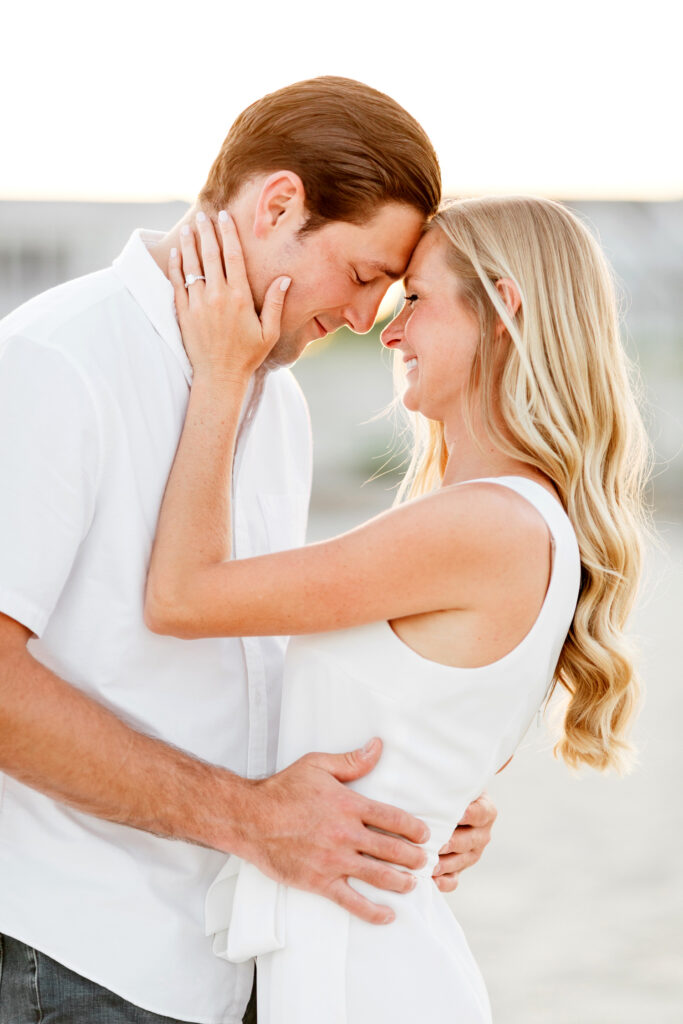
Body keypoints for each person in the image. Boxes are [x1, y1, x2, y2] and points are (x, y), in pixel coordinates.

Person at [0, 77, 497, 1024]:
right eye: (360, 276)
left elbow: (248, 672)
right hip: (75, 958)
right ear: (278, 206)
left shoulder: (279, 396)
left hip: (232, 954)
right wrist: (248, 818)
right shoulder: (55, 360)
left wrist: (409, 804)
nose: (364, 320)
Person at [144, 194, 651, 1023]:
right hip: (351, 958)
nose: (387, 331)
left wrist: (222, 378)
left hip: (363, 976)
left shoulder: (484, 523)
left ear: (500, 310)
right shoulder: (513, 520)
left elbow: (181, 596)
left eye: (413, 298)